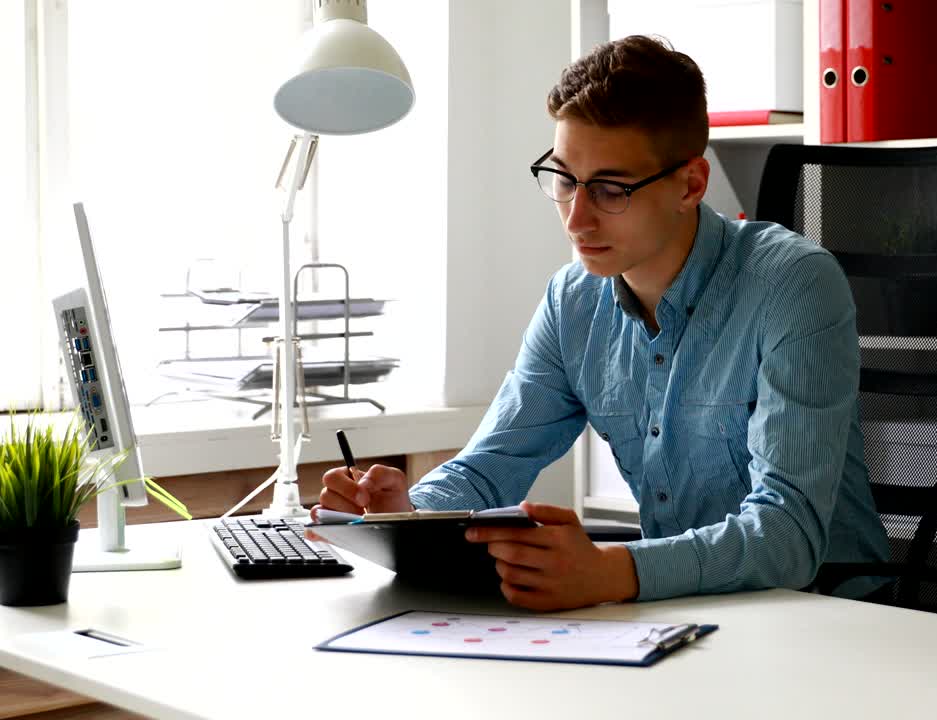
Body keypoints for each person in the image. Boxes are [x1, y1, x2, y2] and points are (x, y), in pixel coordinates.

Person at [314, 35, 889, 611]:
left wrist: (616, 572)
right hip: (683, 615)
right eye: (564, 180)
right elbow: (493, 464)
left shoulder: (793, 283)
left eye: (612, 189)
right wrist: (408, 513)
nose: (576, 218)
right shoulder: (574, 302)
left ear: (690, 184)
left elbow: (788, 536)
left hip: (833, 617)